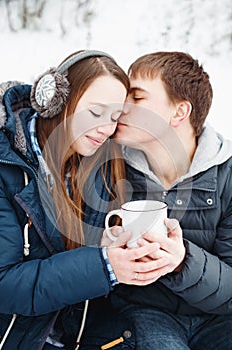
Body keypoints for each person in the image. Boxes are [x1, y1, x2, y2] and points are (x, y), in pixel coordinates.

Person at [0, 50, 163, 350]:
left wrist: (112, 243)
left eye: (115, 117)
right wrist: (104, 265)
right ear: (56, 100)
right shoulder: (6, 169)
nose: (106, 128)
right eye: (95, 111)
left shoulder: (96, 164)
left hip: (77, 332)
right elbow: (3, 284)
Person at [111, 51, 232, 349]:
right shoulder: (110, 165)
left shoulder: (227, 175)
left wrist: (182, 261)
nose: (120, 109)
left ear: (179, 112)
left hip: (220, 320)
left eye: (136, 98)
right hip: (146, 312)